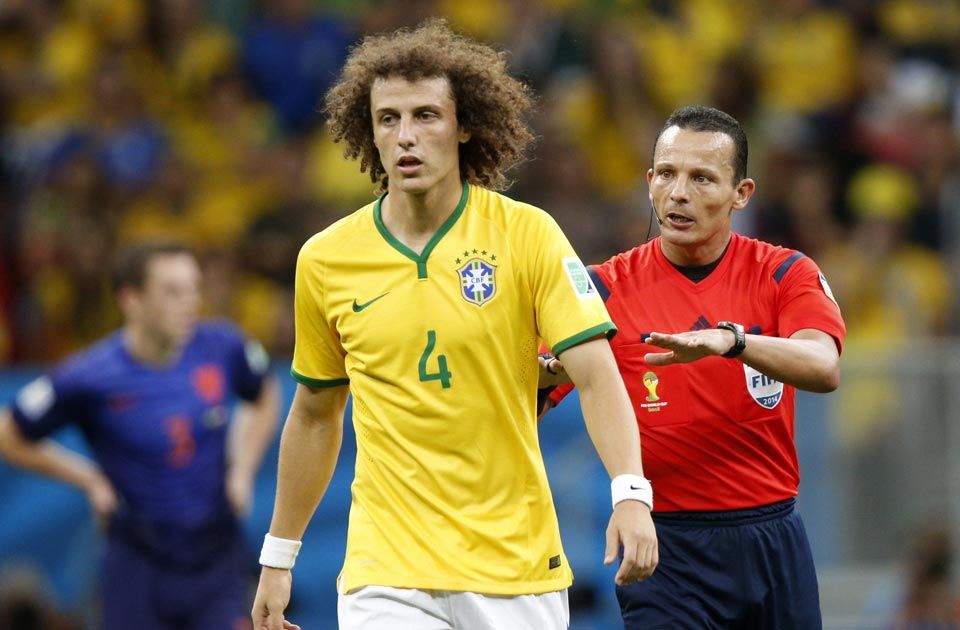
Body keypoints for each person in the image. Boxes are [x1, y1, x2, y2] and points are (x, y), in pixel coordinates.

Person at [251, 19, 657, 630]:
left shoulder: (527, 234)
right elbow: (313, 414)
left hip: (514, 564)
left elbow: (597, 377)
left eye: (426, 116)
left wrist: (630, 493)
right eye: (388, 119)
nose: (405, 136)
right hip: (386, 570)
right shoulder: (326, 259)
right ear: (369, 131)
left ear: (464, 125)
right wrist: (279, 556)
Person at [539, 105, 846, 629]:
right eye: (666, 174)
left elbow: (823, 365)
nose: (678, 193)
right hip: (665, 545)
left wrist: (732, 341)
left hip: (771, 538)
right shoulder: (600, 289)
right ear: (649, 182)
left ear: (741, 193)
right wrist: (549, 374)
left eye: (701, 178)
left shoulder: (785, 273)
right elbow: (525, 401)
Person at [0, 242, 281, 630]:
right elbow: (10, 432)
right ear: (131, 299)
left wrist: (243, 469)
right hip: (138, 560)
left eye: (193, 289)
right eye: (172, 292)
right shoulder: (90, 375)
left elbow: (264, 393)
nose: (190, 303)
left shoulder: (223, 346)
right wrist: (90, 479)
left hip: (215, 557)